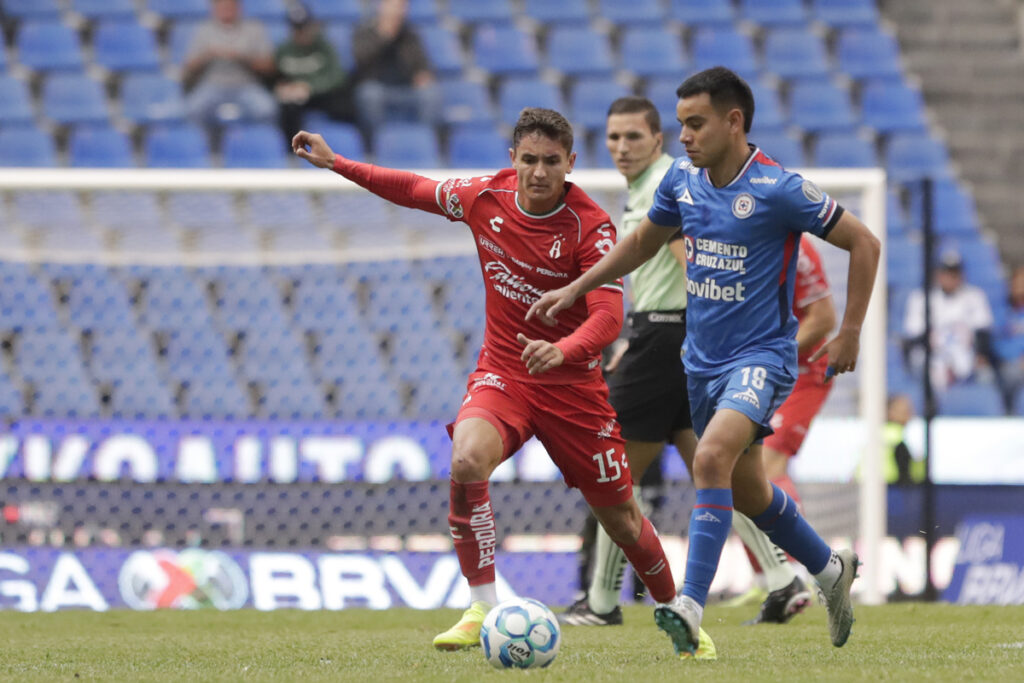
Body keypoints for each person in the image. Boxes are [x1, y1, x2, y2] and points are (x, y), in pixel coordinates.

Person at [292, 108, 704, 660]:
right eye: (528, 159)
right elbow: (414, 187)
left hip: (573, 390)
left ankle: (680, 616)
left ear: (570, 164)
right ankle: (481, 605)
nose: (538, 172)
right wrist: (337, 162)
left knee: (624, 518)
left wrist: (562, 349)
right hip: (505, 374)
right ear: (513, 159)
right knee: (466, 461)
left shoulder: (591, 225)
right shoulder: (486, 196)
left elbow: (608, 315)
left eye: (551, 162)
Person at [528, 67, 880, 656]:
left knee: (709, 458)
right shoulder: (682, 183)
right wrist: (575, 289)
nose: (684, 136)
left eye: (695, 123)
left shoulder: (779, 188)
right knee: (751, 494)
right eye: (681, 123)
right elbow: (640, 245)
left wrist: (849, 332)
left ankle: (688, 604)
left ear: (733, 121)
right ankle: (827, 570)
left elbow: (864, 243)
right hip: (701, 363)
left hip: (760, 357)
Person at [729, 235, 834, 625]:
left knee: (767, 470)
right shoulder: (734, 239)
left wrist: (777, 353)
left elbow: (823, 318)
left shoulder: (799, 249)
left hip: (802, 372)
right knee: (735, 472)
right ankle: (768, 579)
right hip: (755, 370)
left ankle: (799, 571)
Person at [902, 249, 1007, 410]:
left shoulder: (974, 296)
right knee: (917, 369)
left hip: (967, 359)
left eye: (955, 273)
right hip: (931, 359)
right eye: (946, 272)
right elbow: (913, 336)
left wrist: (980, 355)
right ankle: (928, 409)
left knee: (987, 376)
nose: (951, 277)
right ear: (938, 274)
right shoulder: (921, 297)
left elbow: (983, 332)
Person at [351, 0, 439, 146]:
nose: (396, 11)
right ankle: (378, 144)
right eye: (392, 6)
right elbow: (361, 61)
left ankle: (425, 142)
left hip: (407, 88)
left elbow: (423, 64)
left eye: (401, 7)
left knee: (431, 94)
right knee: (369, 94)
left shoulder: (410, 35)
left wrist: (423, 74)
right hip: (378, 87)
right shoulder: (364, 31)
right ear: (381, 7)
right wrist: (384, 37)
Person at [183, 0, 277, 132]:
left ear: (239, 8)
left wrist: (242, 57)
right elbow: (189, 67)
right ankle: (203, 149)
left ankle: (259, 148)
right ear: (214, 9)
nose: (226, 10)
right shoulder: (204, 30)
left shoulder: (254, 28)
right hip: (212, 84)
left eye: (230, 6)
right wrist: (208, 55)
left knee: (267, 109)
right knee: (192, 109)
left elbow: (269, 67)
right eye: (222, 7)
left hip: (246, 84)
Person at [273, 2, 352, 147]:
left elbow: (337, 77)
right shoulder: (284, 49)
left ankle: (349, 147)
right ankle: (292, 153)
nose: (301, 33)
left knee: (346, 103)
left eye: (304, 28)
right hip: (295, 100)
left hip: (324, 96)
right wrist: (282, 89)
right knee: (287, 109)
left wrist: (309, 88)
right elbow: (274, 77)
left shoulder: (324, 47)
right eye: (296, 29)